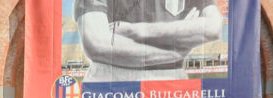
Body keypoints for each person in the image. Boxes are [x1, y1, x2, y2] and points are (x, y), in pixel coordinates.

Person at [75, 0, 223, 82]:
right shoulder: (174, 52)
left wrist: (138, 31)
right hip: (113, 78)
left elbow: (212, 27)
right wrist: (174, 51)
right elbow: (98, 44)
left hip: (170, 78)